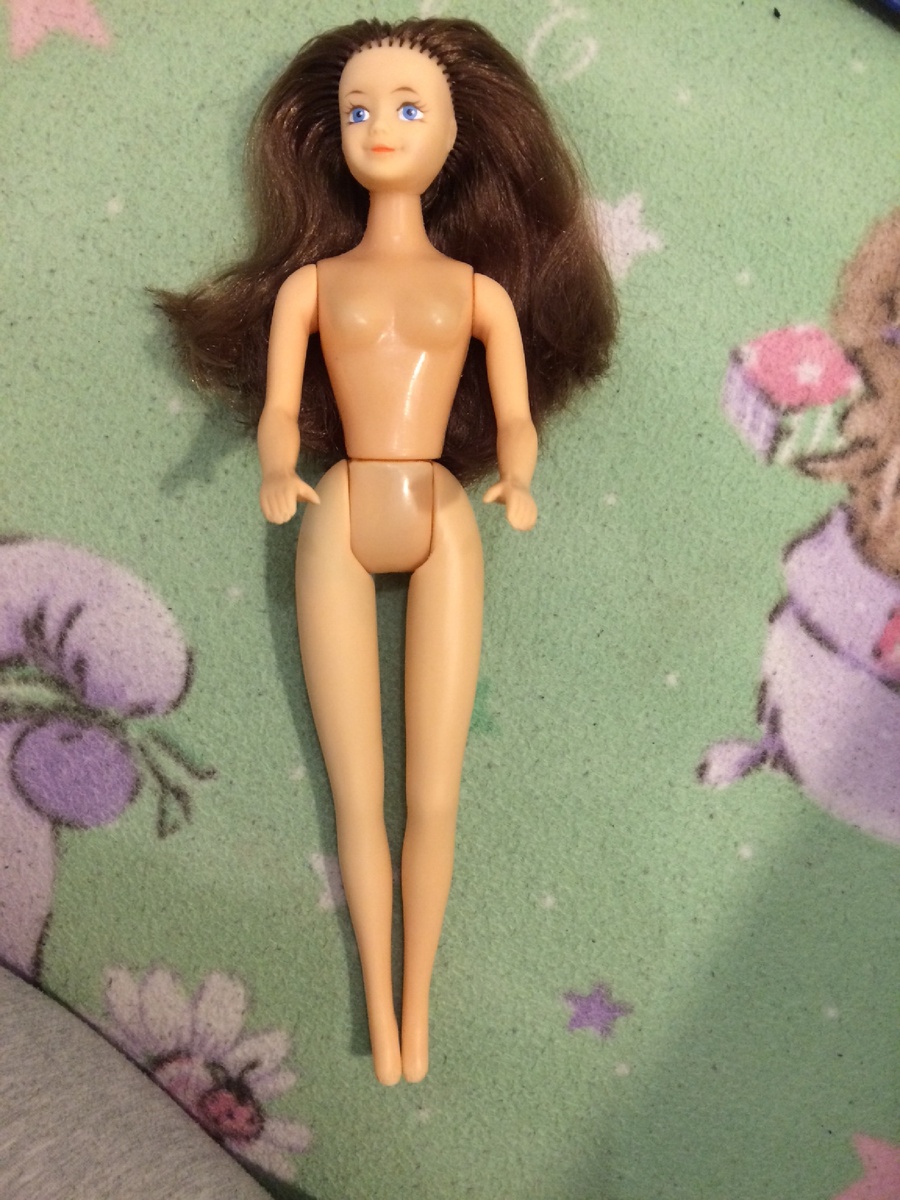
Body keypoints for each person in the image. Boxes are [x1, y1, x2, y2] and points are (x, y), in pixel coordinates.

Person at [157, 17, 617, 1085]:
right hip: (340, 510)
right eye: (359, 109)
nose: (380, 128)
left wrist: (518, 475)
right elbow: (282, 405)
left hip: (442, 514)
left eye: (409, 108)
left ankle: (417, 1003)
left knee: (434, 793)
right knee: (356, 789)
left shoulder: (478, 292)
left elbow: (513, 412)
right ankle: (379, 999)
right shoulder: (314, 287)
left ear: (458, 135)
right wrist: (277, 466)